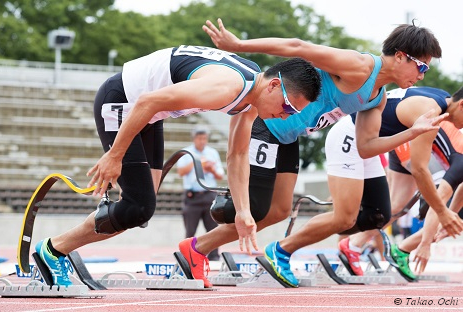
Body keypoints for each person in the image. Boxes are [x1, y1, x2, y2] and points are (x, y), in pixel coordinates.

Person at [178, 19, 453, 288]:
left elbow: (366, 147)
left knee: (278, 212)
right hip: (266, 122)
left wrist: (412, 132)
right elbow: (298, 46)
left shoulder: (377, 97)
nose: (421, 76)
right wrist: (239, 44)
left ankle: (196, 248)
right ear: (401, 56)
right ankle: (208, 232)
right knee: (256, 208)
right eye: (421, 66)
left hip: (289, 137)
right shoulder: (359, 66)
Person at [33, 44, 322, 286]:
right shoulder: (229, 87)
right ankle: (53, 249)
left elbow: (237, 156)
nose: (287, 117)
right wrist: (114, 155)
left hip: (150, 113)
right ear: (274, 85)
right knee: (137, 208)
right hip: (125, 104)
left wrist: (244, 212)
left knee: (138, 211)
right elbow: (147, 100)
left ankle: (102, 217)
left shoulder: (251, 98)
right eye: (289, 108)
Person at [334, 87, 463, 281]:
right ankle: (399, 248)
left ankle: (353, 244)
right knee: (434, 196)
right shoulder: (459, 157)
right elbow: (439, 198)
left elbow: (459, 193)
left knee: (397, 206)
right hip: (403, 138)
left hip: (402, 135)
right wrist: (427, 242)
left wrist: (448, 217)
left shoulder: (442, 99)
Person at [177, 126, 224, 260]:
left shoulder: (212, 153)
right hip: (192, 196)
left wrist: (211, 169)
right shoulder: (186, 152)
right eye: (199, 138)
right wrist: (198, 163)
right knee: (190, 230)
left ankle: (214, 256)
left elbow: (220, 175)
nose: (202, 141)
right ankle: (187, 257)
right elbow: (181, 172)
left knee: (213, 228)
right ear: (194, 138)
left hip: (209, 194)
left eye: (204, 138)